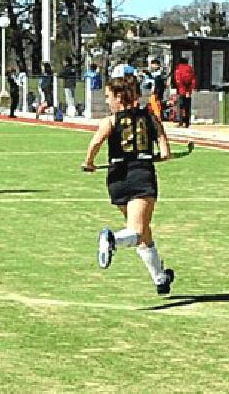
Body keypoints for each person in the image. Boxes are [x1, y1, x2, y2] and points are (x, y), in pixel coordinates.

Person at [82, 77, 175, 295]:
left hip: (116, 180)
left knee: (143, 230)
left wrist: (89, 163)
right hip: (140, 176)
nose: (107, 102)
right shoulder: (149, 117)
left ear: (119, 96)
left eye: (108, 97)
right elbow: (162, 139)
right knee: (136, 230)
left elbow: (95, 143)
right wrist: (164, 153)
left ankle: (160, 278)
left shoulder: (110, 121)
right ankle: (112, 240)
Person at [173, 59, 196, 128]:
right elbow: (193, 80)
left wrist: (180, 88)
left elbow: (178, 80)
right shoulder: (190, 69)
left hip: (181, 90)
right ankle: (187, 123)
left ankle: (180, 122)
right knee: (187, 107)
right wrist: (190, 90)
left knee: (180, 107)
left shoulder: (178, 69)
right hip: (188, 91)